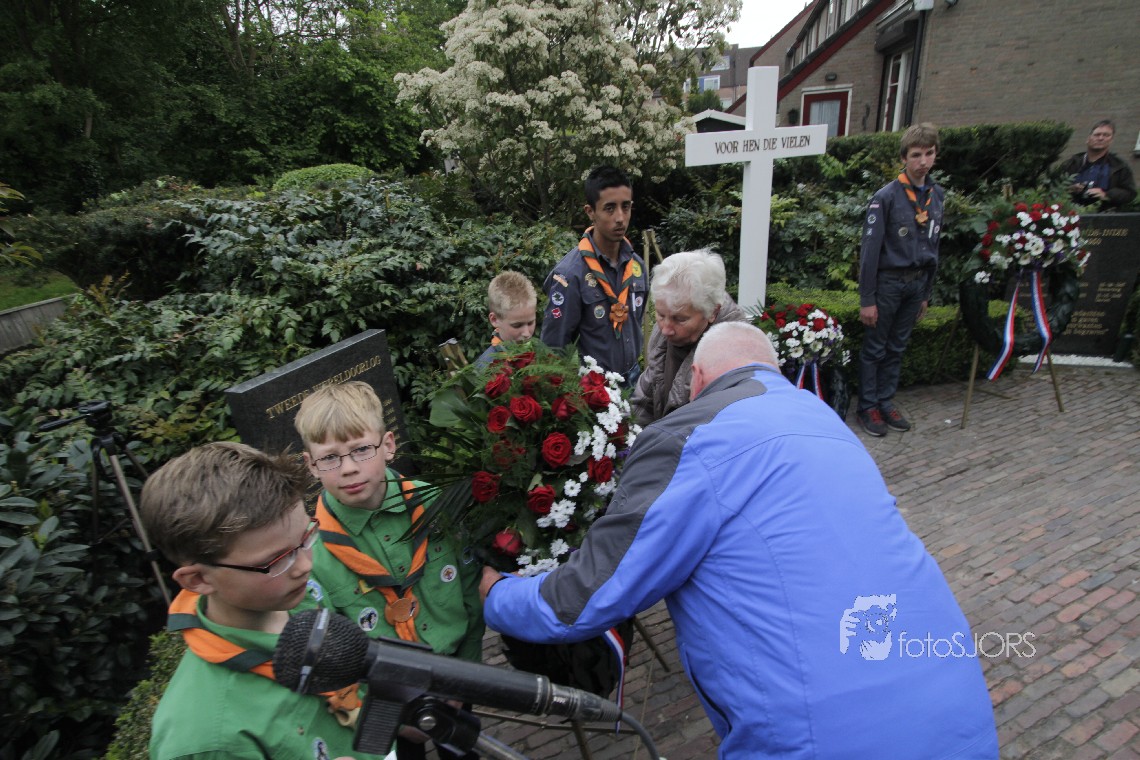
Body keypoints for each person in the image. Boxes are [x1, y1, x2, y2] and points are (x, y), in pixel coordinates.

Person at [480, 322, 999, 760]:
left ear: (698, 377)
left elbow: (587, 596)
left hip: (823, 735)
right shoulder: (821, 414)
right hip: (959, 706)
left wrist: (499, 596)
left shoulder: (688, 434)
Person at [139, 441, 390, 760]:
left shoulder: (300, 595)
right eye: (275, 561)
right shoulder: (205, 738)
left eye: (306, 537)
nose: (304, 566)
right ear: (199, 580)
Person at [294, 381, 484, 760]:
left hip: (454, 678)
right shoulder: (311, 555)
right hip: (381, 702)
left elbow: (469, 589)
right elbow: (325, 654)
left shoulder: (435, 504)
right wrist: (386, 716)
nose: (349, 468)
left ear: (388, 445)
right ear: (311, 465)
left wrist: (467, 676)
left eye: (361, 450)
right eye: (329, 458)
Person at [856, 122, 943, 437]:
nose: (923, 161)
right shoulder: (886, 197)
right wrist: (867, 299)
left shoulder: (937, 196)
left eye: (929, 154)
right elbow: (870, 251)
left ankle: (885, 400)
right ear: (904, 158)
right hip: (889, 284)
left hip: (916, 283)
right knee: (875, 348)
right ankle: (868, 406)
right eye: (916, 155)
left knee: (897, 347)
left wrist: (926, 293)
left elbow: (934, 245)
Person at [540, 165, 648, 384]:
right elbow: (552, 351)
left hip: (635, 381)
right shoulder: (570, 275)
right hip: (594, 389)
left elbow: (636, 321)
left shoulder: (637, 266)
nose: (620, 218)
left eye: (626, 207)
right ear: (590, 212)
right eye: (610, 208)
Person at [628, 248, 748, 425]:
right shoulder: (663, 334)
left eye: (680, 319)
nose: (665, 329)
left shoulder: (736, 353)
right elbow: (644, 402)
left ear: (712, 312)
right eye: (660, 315)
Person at [1060, 119, 1137, 210]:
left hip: (1106, 214)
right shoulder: (1071, 163)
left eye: (1106, 135)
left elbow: (1130, 193)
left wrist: (1106, 194)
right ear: (1088, 139)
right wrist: (1070, 189)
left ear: (1111, 140)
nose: (1100, 138)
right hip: (1072, 213)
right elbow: (1053, 189)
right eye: (1097, 134)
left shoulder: (1119, 166)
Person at [474, 270, 537, 369]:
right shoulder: (487, 368)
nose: (526, 333)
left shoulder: (537, 352)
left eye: (530, 323)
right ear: (494, 320)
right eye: (517, 325)